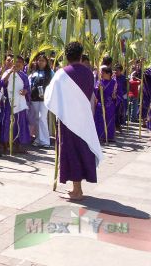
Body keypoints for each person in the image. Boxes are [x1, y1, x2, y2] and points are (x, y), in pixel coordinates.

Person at [44, 41, 103, 201]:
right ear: (80, 54)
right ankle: (77, 188)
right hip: (84, 119)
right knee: (82, 151)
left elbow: (49, 96)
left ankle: (77, 191)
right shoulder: (89, 73)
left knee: (72, 153)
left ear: (66, 55)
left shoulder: (62, 74)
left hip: (68, 121)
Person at [0, 55, 31, 154]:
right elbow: (3, 83)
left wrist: (25, 91)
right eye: (15, 61)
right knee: (8, 123)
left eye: (19, 62)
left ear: (22, 64)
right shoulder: (7, 72)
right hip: (9, 102)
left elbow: (27, 88)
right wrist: (10, 72)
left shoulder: (24, 75)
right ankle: (5, 145)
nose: (17, 64)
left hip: (20, 103)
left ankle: (18, 145)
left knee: (20, 123)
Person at [28, 54, 53, 148]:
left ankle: (45, 141)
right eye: (39, 60)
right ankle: (38, 139)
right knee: (37, 119)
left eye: (43, 60)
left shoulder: (50, 72)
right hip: (34, 99)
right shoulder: (34, 72)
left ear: (46, 62)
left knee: (42, 118)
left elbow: (53, 85)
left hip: (45, 99)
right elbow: (30, 84)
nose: (41, 62)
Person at [94, 67, 117, 143]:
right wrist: (98, 89)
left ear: (109, 74)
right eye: (101, 73)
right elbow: (95, 93)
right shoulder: (99, 82)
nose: (101, 74)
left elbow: (119, 94)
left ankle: (109, 137)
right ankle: (100, 136)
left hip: (110, 105)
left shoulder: (114, 83)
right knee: (100, 120)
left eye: (103, 73)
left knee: (109, 120)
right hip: (101, 104)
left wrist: (115, 95)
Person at [113, 64, 128, 132]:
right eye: (115, 70)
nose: (116, 72)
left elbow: (126, 88)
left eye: (118, 70)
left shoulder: (124, 78)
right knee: (114, 112)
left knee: (121, 112)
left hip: (121, 97)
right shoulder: (113, 77)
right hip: (113, 97)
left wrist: (124, 96)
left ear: (121, 71)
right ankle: (115, 126)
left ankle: (119, 125)